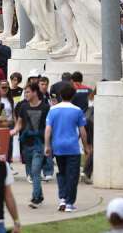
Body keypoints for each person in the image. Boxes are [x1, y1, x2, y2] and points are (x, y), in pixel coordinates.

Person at [45, 83, 90, 212]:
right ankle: (69, 202)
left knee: (62, 172)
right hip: (72, 147)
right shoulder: (77, 110)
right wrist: (86, 147)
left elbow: (48, 129)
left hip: (58, 147)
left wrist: (47, 145)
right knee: (73, 175)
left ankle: (62, 198)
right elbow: (82, 131)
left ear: (60, 95)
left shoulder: (53, 110)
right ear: (73, 96)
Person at [10, 82, 49, 208]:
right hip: (26, 144)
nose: (25, 94)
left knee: (35, 170)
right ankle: (40, 195)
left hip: (40, 144)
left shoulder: (45, 107)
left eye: (27, 92)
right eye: (25, 92)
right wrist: (14, 131)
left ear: (35, 92)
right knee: (33, 173)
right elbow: (20, 123)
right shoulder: (23, 107)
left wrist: (48, 144)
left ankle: (36, 198)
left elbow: (49, 126)